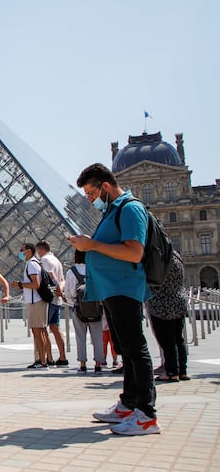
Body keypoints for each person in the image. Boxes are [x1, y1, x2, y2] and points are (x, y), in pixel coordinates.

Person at [69, 162, 160, 435]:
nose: (89, 199)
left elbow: (134, 252)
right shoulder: (114, 210)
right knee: (127, 352)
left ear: (105, 186)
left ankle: (146, 415)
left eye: (90, 193)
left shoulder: (130, 208)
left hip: (124, 287)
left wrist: (92, 245)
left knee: (135, 350)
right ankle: (129, 404)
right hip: (112, 289)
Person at [148, 251, 189, 382]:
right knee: (178, 338)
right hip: (179, 300)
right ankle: (182, 371)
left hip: (162, 303)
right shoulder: (176, 254)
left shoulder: (156, 256)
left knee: (167, 340)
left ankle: (171, 372)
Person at [63, 250, 105, 372]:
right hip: (96, 308)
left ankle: (82, 363)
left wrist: (74, 302)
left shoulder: (72, 272)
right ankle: (98, 363)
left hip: (79, 308)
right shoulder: (95, 269)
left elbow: (69, 292)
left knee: (80, 337)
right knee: (97, 337)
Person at [10, 243, 50, 369]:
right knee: (39, 331)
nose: (20, 252)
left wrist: (20, 285)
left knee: (38, 331)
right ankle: (42, 360)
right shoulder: (35, 263)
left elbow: (35, 284)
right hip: (37, 301)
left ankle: (42, 361)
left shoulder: (31, 264)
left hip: (35, 302)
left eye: (21, 250)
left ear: (28, 251)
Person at [36, 241, 68, 367]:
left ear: (40, 250)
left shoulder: (45, 260)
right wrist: (60, 290)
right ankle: (63, 356)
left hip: (49, 299)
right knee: (55, 328)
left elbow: (51, 276)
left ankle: (48, 357)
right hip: (57, 300)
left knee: (43, 329)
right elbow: (62, 280)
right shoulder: (56, 260)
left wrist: (57, 289)